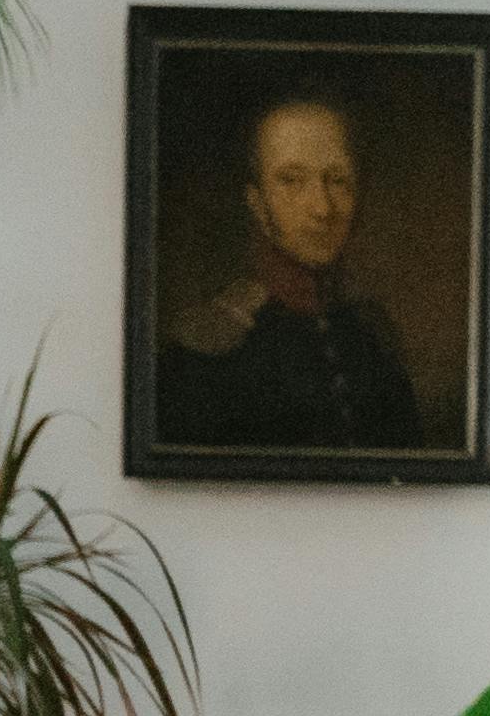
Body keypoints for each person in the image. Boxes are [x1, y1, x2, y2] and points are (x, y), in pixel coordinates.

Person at [154, 86, 426, 454]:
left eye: (338, 180)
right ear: (257, 202)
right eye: (292, 180)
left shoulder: (372, 335)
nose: (322, 208)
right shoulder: (207, 346)